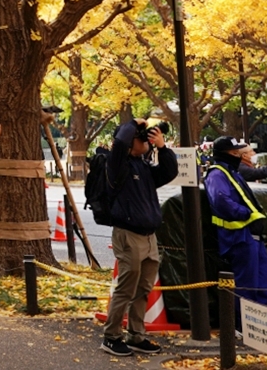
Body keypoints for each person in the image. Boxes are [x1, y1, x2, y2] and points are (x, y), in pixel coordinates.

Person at [100, 119, 177, 357]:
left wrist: (162, 148)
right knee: (126, 287)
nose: (145, 140)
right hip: (128, 234)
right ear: (129, 142)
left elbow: (169, 171)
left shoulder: (143, 167)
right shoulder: (117, 165)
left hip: (149, 235)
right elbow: (121, 142)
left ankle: (136, 335)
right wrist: (133, 123)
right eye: (140, 137)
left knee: (144, 288)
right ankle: (111, 336)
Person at [206, 136, 267, 308]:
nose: (241, 155)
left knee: (261, 283)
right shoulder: (217, 174)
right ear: (231, 153)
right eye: (237, 152)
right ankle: (243, 326)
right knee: (246, 285)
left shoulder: (231, 172)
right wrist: (244, 213)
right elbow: (221, 201)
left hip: (251, 235)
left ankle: (259, 326)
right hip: (239, 237)